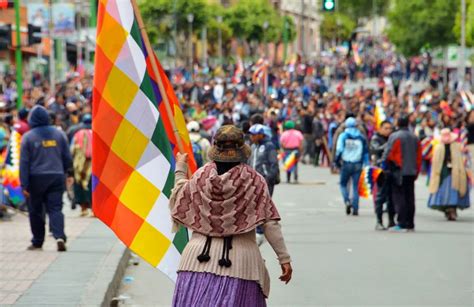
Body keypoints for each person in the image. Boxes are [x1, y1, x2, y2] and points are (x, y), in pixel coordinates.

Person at [169, 125, 292, 306]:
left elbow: (178, 197)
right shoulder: (254, 180)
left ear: (215, 148)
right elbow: (270, 223)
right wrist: (284, 258)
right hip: (240, 266)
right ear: (241, 149)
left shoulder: (200, 176)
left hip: (195, 262)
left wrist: (180, 168)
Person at [20, 105, 73, 252]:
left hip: (36, 178)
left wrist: (24, 184)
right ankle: (59, 236)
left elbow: (24, 162)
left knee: (36, 210)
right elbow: (67, 157)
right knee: (56, 208)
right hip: (56, 176)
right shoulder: (59, 134)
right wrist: (69, 173)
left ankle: (38, 241)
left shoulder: (28, 137)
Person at [382, 115, 421, 232]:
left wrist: (384, 165)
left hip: (399, 170)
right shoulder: (415, 137)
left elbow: (388, 153)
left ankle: (402, 222)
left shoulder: (395, 136)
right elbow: (419, 155)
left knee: (399, 197)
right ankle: (410, 223)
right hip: (412, 170)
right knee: (410, 197)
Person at [428, 128, 470, 221]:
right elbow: (435, 161)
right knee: (443, 191)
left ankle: (452, 209)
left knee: (454, 190)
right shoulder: (439, 147)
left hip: (455, 171)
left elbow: (462, 158)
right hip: (443, 172)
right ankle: (447, 209)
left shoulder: (456, 146)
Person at [335, 117, 370, 216]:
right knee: (355, 187)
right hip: (358, 164)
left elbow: (339, 149)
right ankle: (355, 208)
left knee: (343, 184)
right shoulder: (361, 137)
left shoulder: (343, 136)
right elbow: (365, 152)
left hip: (346, 163)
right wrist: (366, 164)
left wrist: (336, 161)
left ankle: (347, 201)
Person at [370, 120, 395, 230]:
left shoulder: (393, 138)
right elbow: (375, 150)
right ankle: (379, 221)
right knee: (380, 197)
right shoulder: (376, 139)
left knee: (392, 198)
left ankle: (391, 221)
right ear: (380, 129)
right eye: (386, 128)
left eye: (390, 128)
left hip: (392, 170)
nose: (388, 130)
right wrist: (388, 144)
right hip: (380, 171)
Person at [71, 114, 92, 217]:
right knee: (92, 186)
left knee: (79, 186)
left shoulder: (77, 134)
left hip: (79, 165)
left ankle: (83, 209)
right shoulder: (96, 133)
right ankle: (93, 209)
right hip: (93, 166)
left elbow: (72, 149)